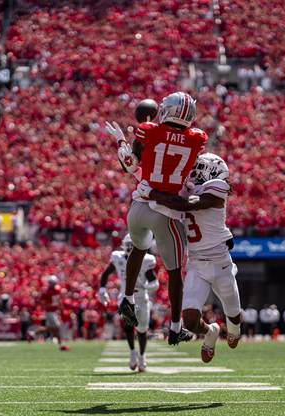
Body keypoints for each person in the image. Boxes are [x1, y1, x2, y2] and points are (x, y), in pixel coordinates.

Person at [106, 92, 207, 345]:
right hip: (166, 213)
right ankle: (175, 328)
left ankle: (126, 298)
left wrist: (121, 142)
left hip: (138, 208)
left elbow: (130, 165)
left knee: (138, 249)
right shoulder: (196, 139)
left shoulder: (148, 130)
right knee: (174, 273)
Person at [140, 153, 242, 362]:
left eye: (199, 167)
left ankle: (234, 329)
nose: (193, 171)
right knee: (190, 319)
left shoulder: (217, 187)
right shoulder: (186, 188)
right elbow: (175, 201)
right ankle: (211, 332)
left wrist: (153, 194)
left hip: (221, 263)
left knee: (233, 315)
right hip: (196, 263)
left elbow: (190, 204)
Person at [99, 235, 159, 372]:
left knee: (142, 329)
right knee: (128, 324)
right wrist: (102, 289)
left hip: (141, 297)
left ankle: (142, 355)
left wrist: (146, 287)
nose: (131, 247)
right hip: (125, 296)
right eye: (129, 244)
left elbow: (154, 281)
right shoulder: (118, 257)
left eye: (133, 244)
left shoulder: (146, 260)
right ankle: (132, 352)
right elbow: (105, 273)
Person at [32, 275, 70, 351]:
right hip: (50, 311)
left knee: (52, 329)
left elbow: (59, 299)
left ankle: (32, 334)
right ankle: (61, 345)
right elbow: (42, 302)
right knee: (57, 327)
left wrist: (59, 307)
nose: (52, 284)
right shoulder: (46, 291)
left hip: (54, 311)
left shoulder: (57, 289)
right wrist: (50, 304)